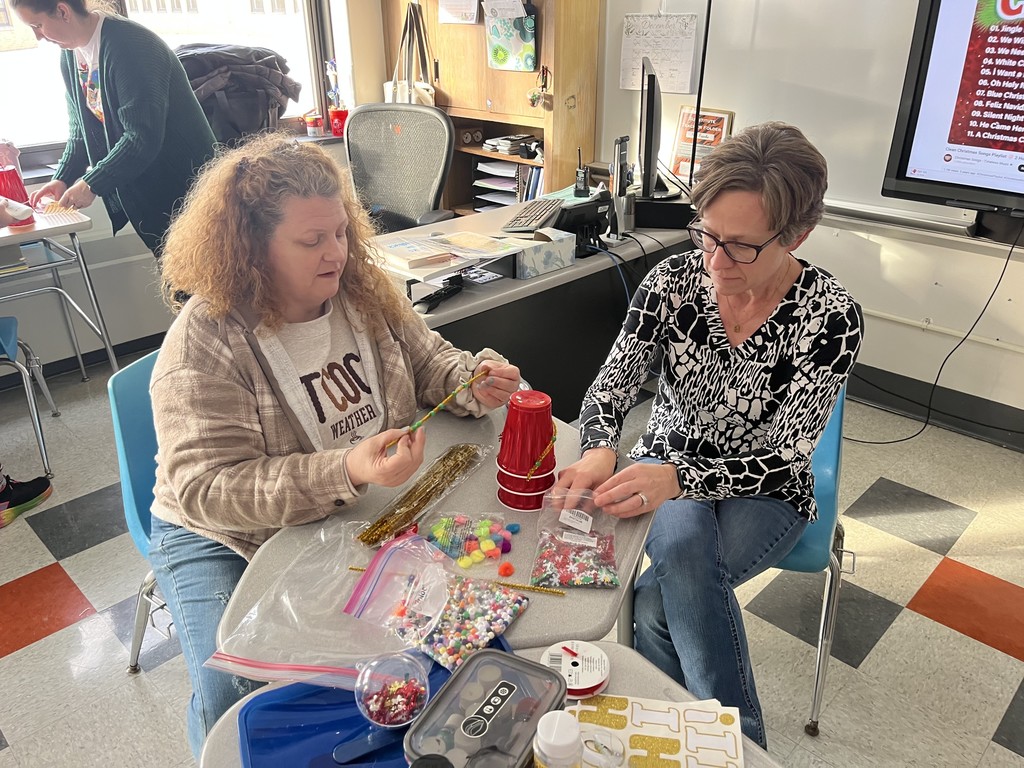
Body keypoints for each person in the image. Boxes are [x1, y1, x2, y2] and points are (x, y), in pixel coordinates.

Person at [148, 133, 521, 759]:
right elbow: (208, 490)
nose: (337, 254)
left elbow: (431, 361)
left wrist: (473, 380)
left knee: (436, 647)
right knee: (231, 694)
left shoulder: (362, 289)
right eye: (311, 241)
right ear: (251, 249)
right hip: (221, 534)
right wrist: (344, 468)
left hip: (357, 509)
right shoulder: (206, 342)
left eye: (341, 233)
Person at [554, 122, 864, 748]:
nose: (715, 263)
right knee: (679, 556)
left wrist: (678, 477)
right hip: (668, 475)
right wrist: (598, 448)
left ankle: (715, 742)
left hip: (766, 491)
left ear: (798, 235)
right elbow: (612, 385)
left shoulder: (830, 317)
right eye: (708, 235)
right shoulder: (672, 283)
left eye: (743, 247)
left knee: (656, 598)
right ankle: (730, 749)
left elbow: (782, 460)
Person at [14, 0, 216, 258]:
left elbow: (142, 137)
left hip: (190, 191)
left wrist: (92, 183)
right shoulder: (72, 55)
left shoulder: (130, 46)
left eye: (38, 25)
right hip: (155, 195)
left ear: (63, 11)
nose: (38, 36)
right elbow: (81, 132)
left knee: (203, 284)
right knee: (180, 284)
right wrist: (63, 178)